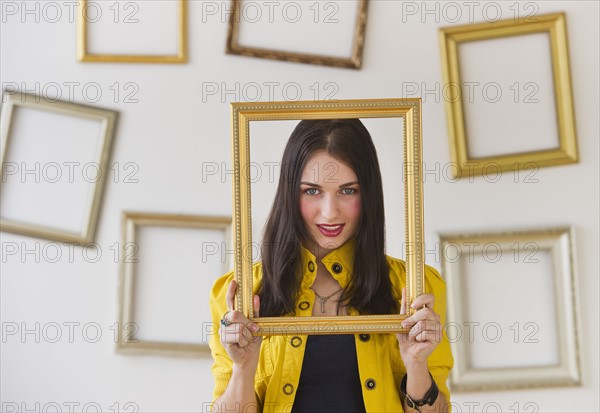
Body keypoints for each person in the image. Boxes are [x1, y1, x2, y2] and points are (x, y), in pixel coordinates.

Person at [209, 119, 453, 412]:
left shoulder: (416, 286)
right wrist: (243, 368)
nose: (329, 212)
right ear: (290, 194)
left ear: (368, 194)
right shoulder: (240, 294)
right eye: (312, 191)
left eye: (348, 191)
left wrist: (416, 365)